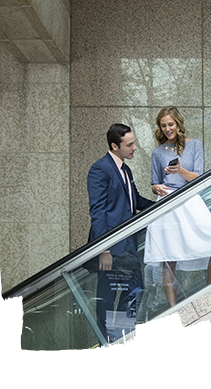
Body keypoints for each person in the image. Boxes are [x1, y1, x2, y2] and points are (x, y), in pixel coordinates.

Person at [144, 106, 211, 308]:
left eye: (170, 124)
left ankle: (207, 292)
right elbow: (155, 182)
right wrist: (156, 188)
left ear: (178, 124)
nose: (167, 129)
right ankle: (173, 309)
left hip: (190, 199)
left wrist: (180, 170)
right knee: (168, 259)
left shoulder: (195, 145)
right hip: (167, 202)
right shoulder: (157, 152)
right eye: (163, 125)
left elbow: (198, 177)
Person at [87, 123, 155, 340]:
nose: (134, 148)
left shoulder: (125, 169)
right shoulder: (100, 169)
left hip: (128, 244)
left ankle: (124, 336)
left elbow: (135, 201)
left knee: (134, 290)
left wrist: (165, 201)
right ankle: (105, 340)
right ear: (114, 146)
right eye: (130, 144)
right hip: (111, 248)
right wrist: (103, 248)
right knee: (106, 297)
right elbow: (97, 211)